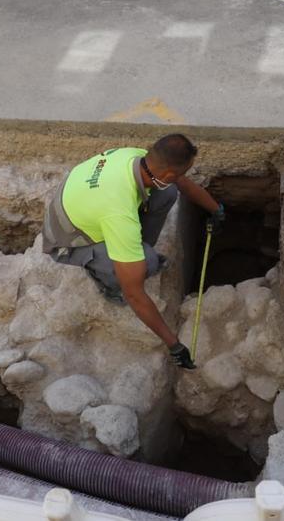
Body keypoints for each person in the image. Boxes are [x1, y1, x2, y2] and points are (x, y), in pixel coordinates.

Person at [41, 134, 226, 370]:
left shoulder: (138, 158)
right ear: (168, 173)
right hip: (67, 239)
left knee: (168, 193)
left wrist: (216, 209)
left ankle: (131, 251)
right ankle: (109, 284)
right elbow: (135, 295)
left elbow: (182, 184)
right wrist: (174, 345)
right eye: (180, 173)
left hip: (84, 202)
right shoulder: (119, 212)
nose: (182, 178)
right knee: (145, 264)